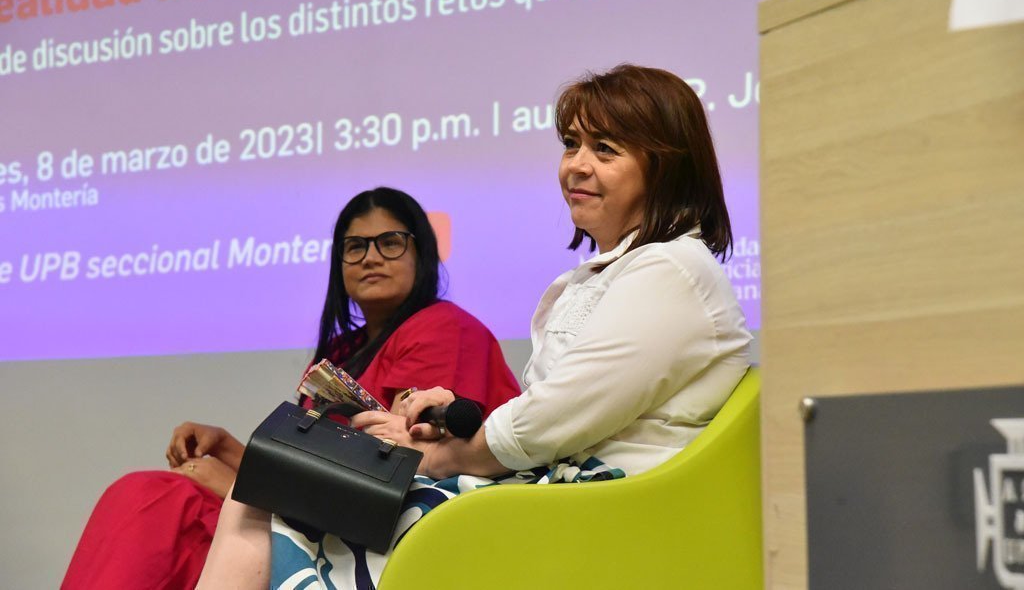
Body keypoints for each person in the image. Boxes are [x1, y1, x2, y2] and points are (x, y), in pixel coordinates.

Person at [197, 65, 753, 590]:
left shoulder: (673, 269)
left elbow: (547, 423)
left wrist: (436, 456)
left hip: (603, 512)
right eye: (571, 144)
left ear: (667, 167)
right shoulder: (613, 274)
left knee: (275, 498)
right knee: (274, 492)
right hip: (558, 497)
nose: (576, 165)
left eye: (604, 150)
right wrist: (456, 429)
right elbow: (558, 416)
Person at [61, 187, 521, 590]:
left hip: (394, 529)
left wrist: (240, 485)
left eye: (390, 242)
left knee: (156, 500)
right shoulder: (345, 349)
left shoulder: (445, 328)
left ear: (422, 253)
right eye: (355, 246)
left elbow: (410, 468)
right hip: (322, 518)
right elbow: (316, 462)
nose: (371, 257)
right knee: (148, 493)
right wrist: (231, 451)